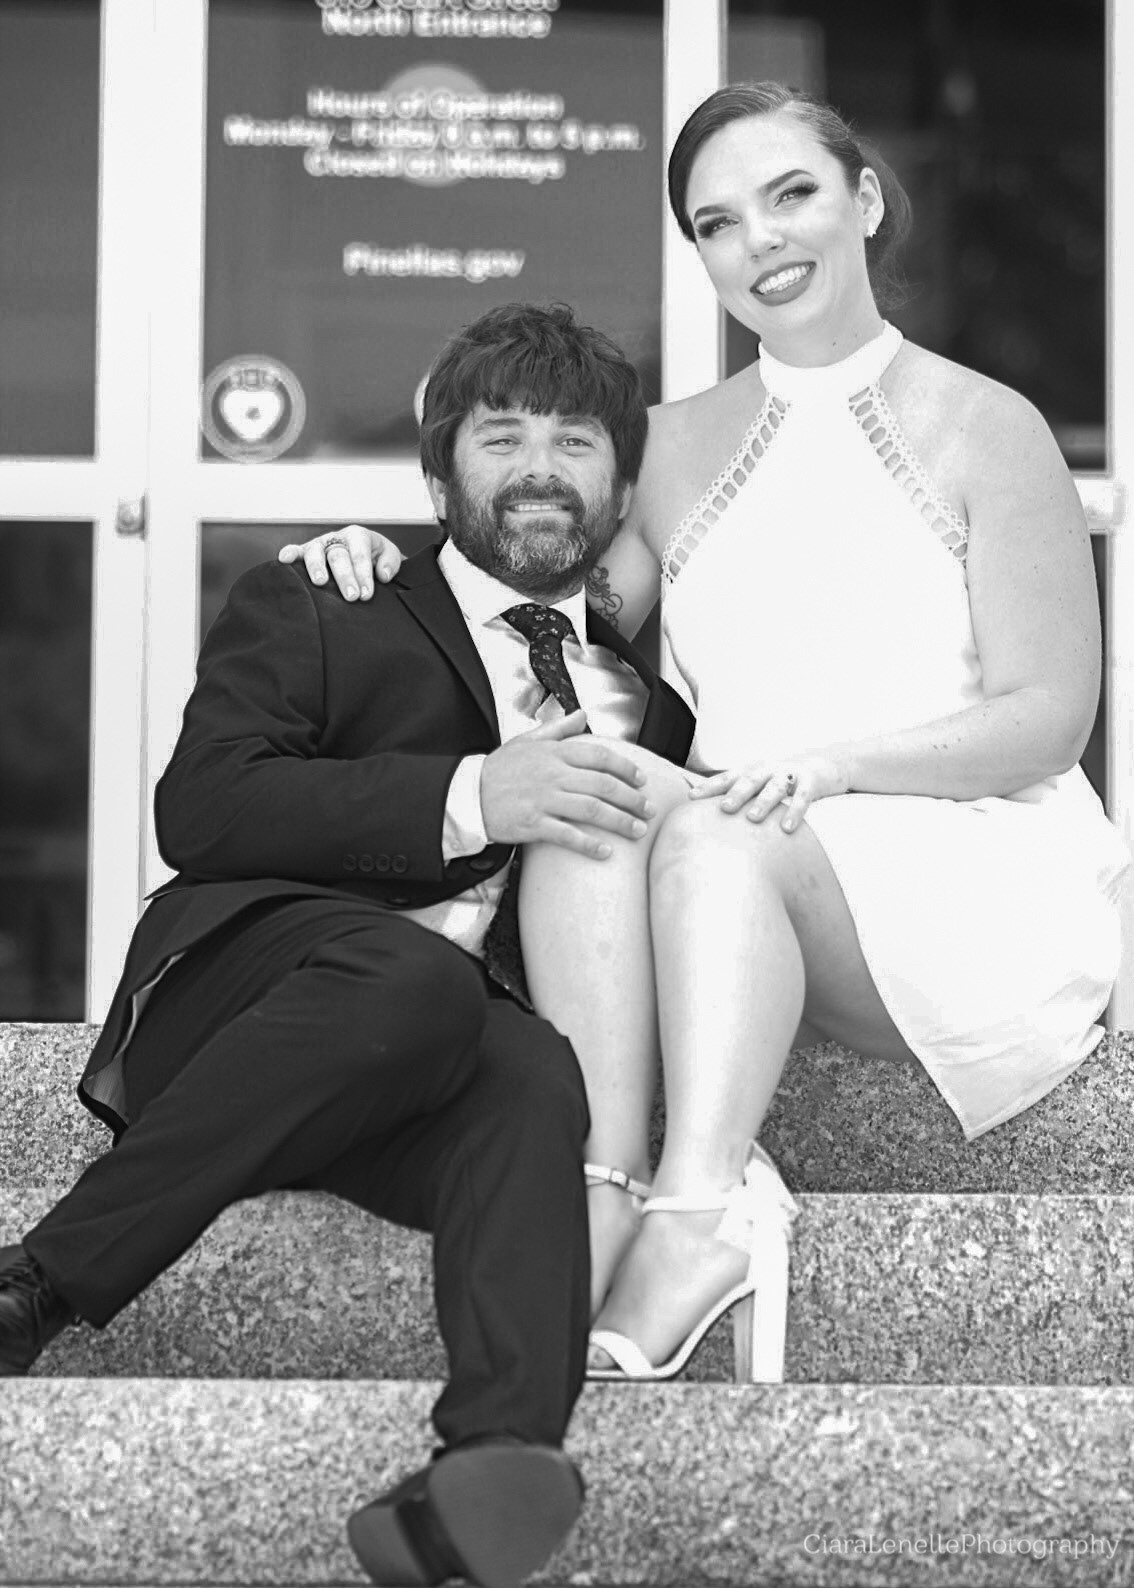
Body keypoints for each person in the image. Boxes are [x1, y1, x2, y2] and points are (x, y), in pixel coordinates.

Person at [285, 80, 1130, 1383]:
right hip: (744, 854)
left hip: (969, 865)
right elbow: (534, 617)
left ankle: (702, 1208)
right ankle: (602, 1181)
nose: (761, 241)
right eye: (719, 222)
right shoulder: (672, 446)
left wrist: (833, 767)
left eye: (791, 195)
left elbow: (1047, 718)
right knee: (593, 792)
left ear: (865, 201)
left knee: (721, 826)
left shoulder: (989, 427)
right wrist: (380, 563)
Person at [0, 302, 695, 1587]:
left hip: (420, 1070)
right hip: (250, 996)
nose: (541, 467)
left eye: (576, 440)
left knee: (539, 1077)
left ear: (620, 484)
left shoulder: (649, 700)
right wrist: (473, 795)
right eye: (502, 436)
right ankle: (38, 1280)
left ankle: (487, 1468)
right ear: (439, 478)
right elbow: (204, 808)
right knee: (418, 978)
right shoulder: (324, 599)